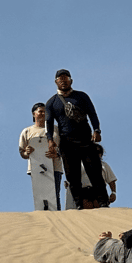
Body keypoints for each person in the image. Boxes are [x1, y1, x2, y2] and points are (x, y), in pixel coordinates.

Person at [45, 69, 109, 209]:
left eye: (66, 78)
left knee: (95, 173)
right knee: (72, 177)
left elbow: (92, 113)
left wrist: (96, 130)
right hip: (67, 144)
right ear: (56, 82)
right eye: (60, 79)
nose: (63, 81)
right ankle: (79, 205)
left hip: (86, 141)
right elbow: (48, 124)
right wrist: (50, 140)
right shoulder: (51, 102)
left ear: (71, 81)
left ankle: (104, 203)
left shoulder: (81, 96)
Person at [19, 102, 64, 210]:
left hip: (55, 166)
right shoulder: (27, 131)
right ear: (34, 114)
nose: (43, 114)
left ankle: (57, 219)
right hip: (36, 167)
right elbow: (22, 152)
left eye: (45, 112)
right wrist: (27, 152)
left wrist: (57, 153)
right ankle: (43, 219)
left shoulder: (56, 129)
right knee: (40, 195)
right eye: (40, 111)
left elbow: (65, 147)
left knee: (54, 194)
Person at [65, 143, 117, 209]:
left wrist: (113, 193)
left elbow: (111, 180)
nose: (96, 154)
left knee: (101, 211)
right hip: (84, 192)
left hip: (98, 192)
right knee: (87, 213)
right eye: (94, 152)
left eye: (98, 152)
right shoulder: (80, 165)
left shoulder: (104, 166)